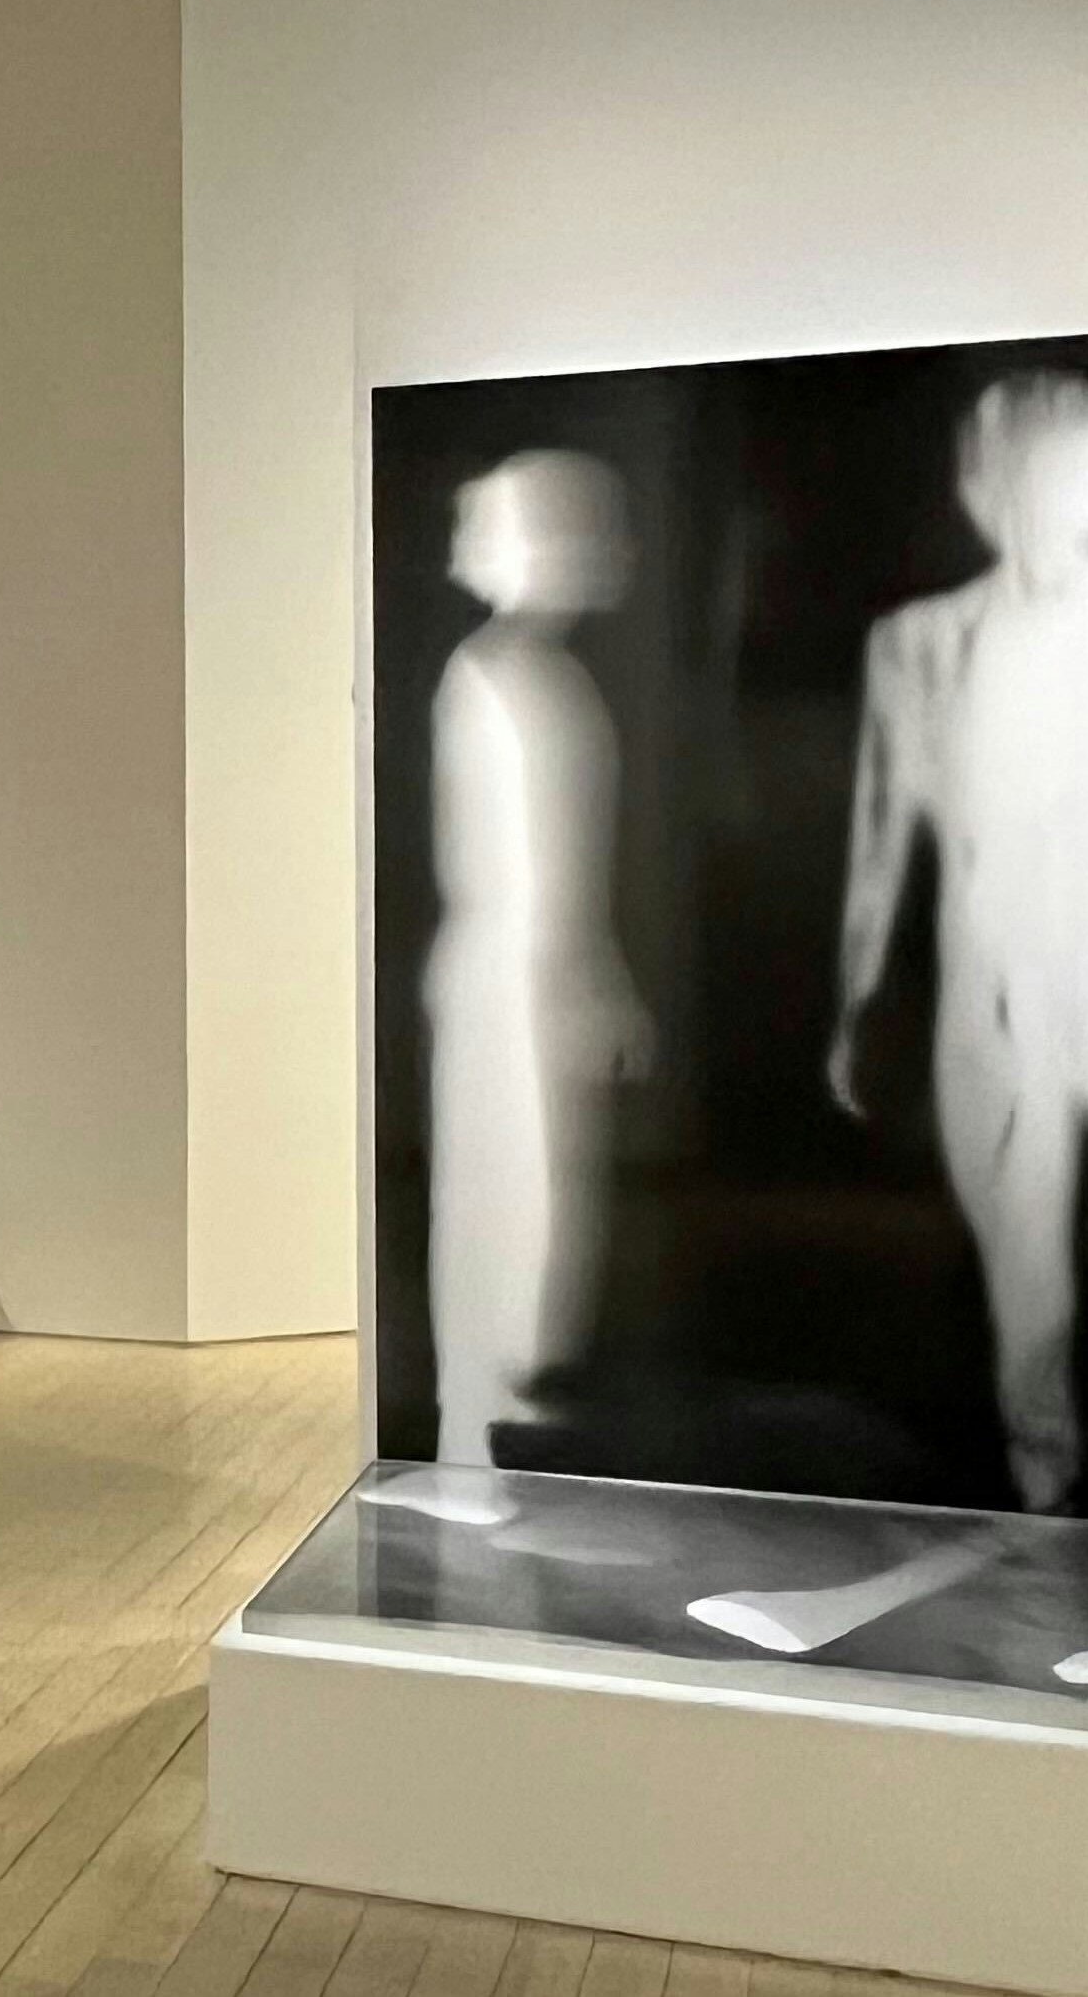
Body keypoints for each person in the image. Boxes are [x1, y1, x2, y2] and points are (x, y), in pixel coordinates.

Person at [829, 374, 1088, 1515]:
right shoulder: (921, 646)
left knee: (1070, 1254)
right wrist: (856, 997)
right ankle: (1051, 1486)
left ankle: (1071, 1484)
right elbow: (879, 831)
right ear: (977, 490)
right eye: (1003, 477)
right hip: (981, 983)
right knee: (1014, 1249)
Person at [420, 452, 651, 1484]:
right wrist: (582, 980)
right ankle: (479, 1432)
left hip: (530, 972)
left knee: (540, 1199)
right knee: (506, 1198)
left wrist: (593, 978)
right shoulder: (494, 678)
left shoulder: (543, 679)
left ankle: (501, 1423)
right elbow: (521, 864)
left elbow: (564, 864)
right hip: (508, 976)